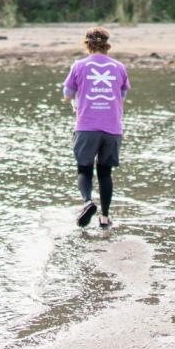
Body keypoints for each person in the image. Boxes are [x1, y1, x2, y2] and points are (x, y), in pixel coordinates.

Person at [61, 26, 129, 229]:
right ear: (107, 45)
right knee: (105, 173)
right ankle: (105, 218)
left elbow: (67, 95)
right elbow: (122, 97)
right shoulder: (119, 67)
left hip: (87, 126)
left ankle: (88, 202)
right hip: (112, 128)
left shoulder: (79, 66)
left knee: (84, 169)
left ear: (87, 44)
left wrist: (73, 101)